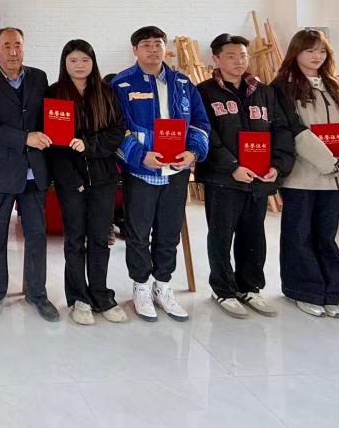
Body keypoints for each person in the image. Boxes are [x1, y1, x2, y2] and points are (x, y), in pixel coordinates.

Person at [112, 25, 210, 322]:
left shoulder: (182, 82)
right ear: (135, 50)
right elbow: (115, 128)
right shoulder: (122, 84)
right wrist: (140, 156)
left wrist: (193, 152)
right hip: (141, 171)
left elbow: (200, 122)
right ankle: (141, 286)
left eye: (158, 44)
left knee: (169, 232)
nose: (153, 50)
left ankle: (163, 285)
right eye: (146, 45)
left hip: (176, 171)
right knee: (138, 233)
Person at [270, 29, 339, 318]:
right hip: (303, 174)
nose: (317, 56)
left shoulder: (337, 87)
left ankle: (329, 292)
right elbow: (291, 127)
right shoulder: (282, 87)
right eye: (310, 50)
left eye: (322, 51)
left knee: (326, 234)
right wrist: (326, 162)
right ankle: (303, 290)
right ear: (296, 52)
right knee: (299, 233)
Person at [195, 33, 294, 319]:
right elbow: (205, 133)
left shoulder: (264, 92)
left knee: (254, 235)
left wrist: (277, 166)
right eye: (230, 56)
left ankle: (249, 287)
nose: (238, 61)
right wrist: (231, 166)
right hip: (223, 179)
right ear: (216, 59)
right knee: (221, 236)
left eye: (242, 56)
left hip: (258, 178)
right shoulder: (204, 92)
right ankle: (223, 290)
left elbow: (280, 130)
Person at [0, 27, 59, 322]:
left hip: (35, 171)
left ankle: (37, 293)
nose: (13, 51)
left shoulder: (39, 78)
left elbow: (48, 117)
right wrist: (25, 138)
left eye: (18, 45)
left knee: (36, 235)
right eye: (7, 45)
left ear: (24, 47)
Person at [45, 39, 128, 325]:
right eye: (73, 60)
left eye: (85, 60)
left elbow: (117, 131)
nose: (79, 65)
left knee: (100, 238)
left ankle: (101, 295)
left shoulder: (106, 92)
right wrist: (71, 179)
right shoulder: (55, 93)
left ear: (93, 62)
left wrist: (89, 145)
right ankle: (78, 298)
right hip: (71, 180)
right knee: (74, 239)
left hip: (104, 177)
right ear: (64, 63)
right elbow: (54, 143)